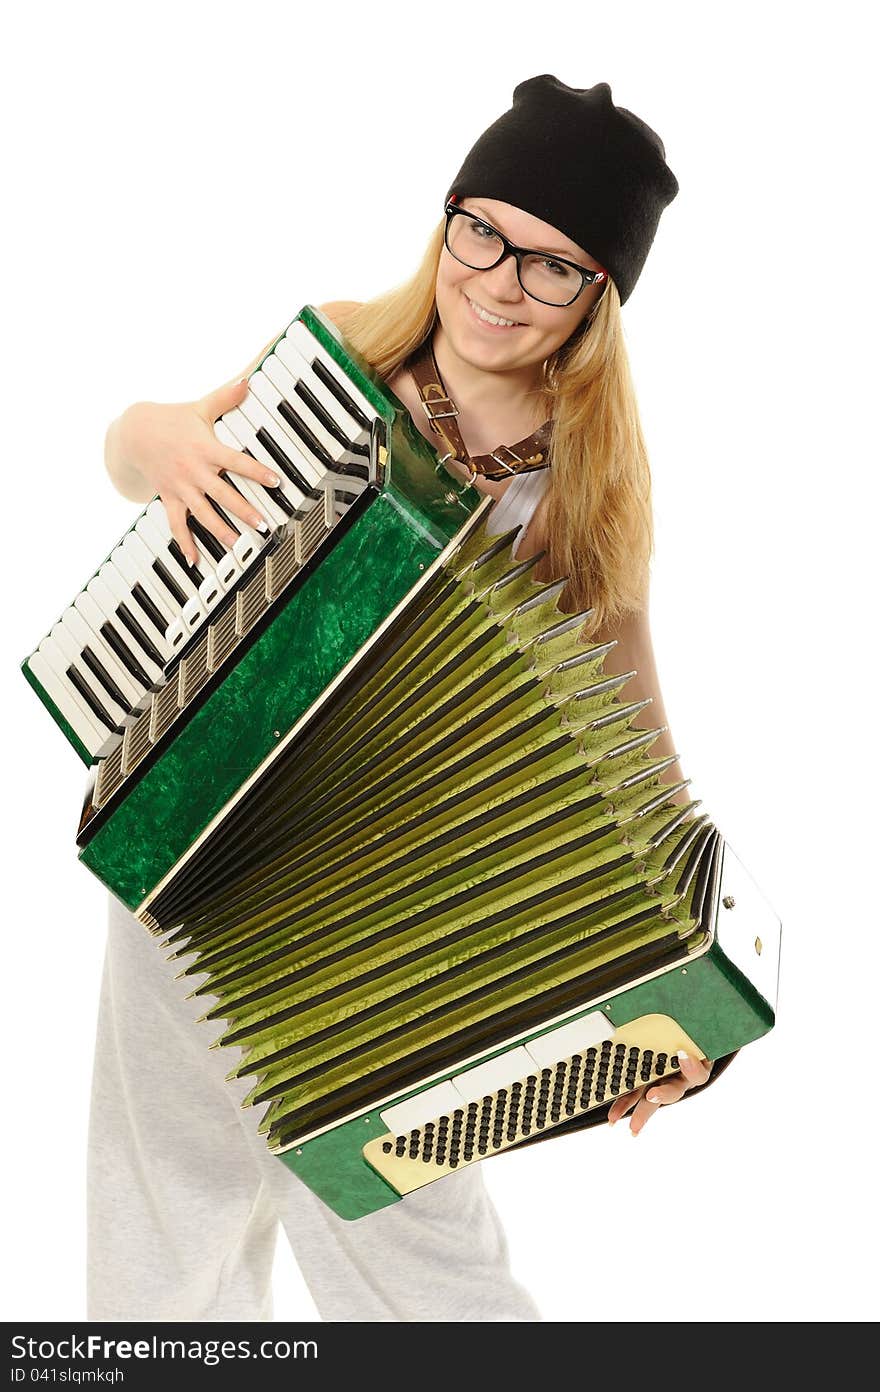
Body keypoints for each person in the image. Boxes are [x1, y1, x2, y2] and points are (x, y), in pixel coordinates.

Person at [91, 76, 733, 1323]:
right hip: (195, 823)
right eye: (480, 231)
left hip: (394, 894)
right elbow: (146, 457)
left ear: (600, 298)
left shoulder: (580, 480)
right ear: (445, 222)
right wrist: (150, 430)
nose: (497, 283)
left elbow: (631, 735)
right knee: (163, 1192)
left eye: (552, 267)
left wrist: (683, 973)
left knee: (399, 1218)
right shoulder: (339, 348)